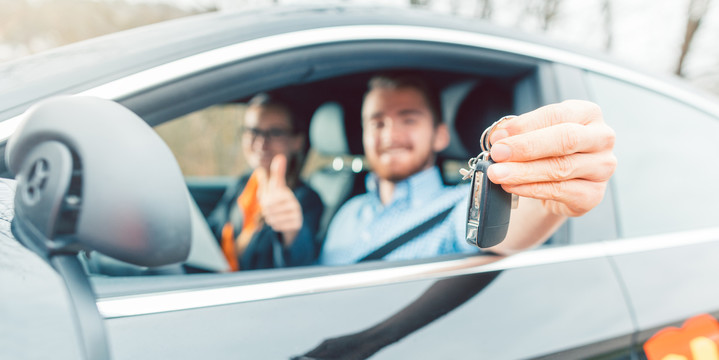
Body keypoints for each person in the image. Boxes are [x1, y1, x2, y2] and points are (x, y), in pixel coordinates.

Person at [319, 73, 616, 264]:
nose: (389, 135)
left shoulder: (455, 210)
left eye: (408, 119)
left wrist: (546, 200)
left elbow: (501, 228)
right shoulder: (345, 213)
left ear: (441, 135)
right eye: (377, 122)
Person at [208, 93, 323, 271]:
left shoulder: (306, 200)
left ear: (297, 141)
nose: (261, 143)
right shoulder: (243, 185)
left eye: (275, 133)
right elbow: (212, 230)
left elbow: (301, 263)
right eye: (253, 131)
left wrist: (292, 232)